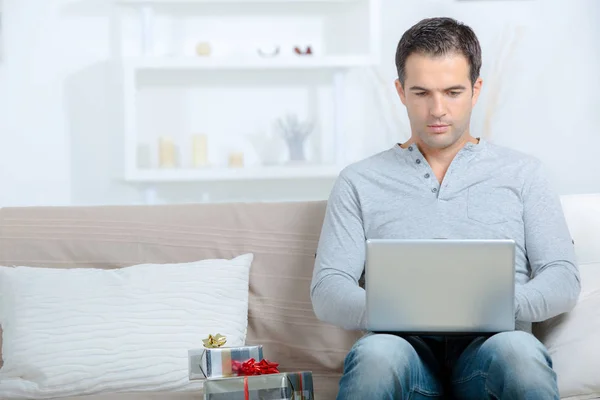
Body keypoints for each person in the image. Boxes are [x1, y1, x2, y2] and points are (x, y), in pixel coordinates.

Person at [310, 17, 581, 400]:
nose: (437, 109)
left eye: (453, 92)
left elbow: (563, 277)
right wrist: (405, 309)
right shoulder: (358, 181)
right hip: (401, 352)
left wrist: (497, 305)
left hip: (494, 350)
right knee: (374, 355)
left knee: (520, 352)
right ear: (401, 91)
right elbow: (327, 288)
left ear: (476, 89)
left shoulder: (524, 174)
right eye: (421, 93)